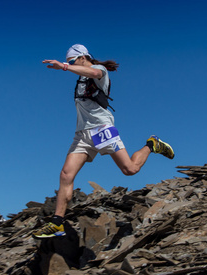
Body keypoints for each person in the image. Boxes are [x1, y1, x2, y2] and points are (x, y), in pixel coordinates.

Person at [32, 44, 174, 239]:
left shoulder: (100, 71)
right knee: (66, 174)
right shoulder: (81, 76)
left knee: (130, 169)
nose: (71, 64)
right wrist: (69, 67)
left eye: (73, 61)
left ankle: (152, 144)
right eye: (70, 62)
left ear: (83, 57)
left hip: (101, 129)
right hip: (82, 134)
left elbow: (93, 72)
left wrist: (64, 67)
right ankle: (57, 222)